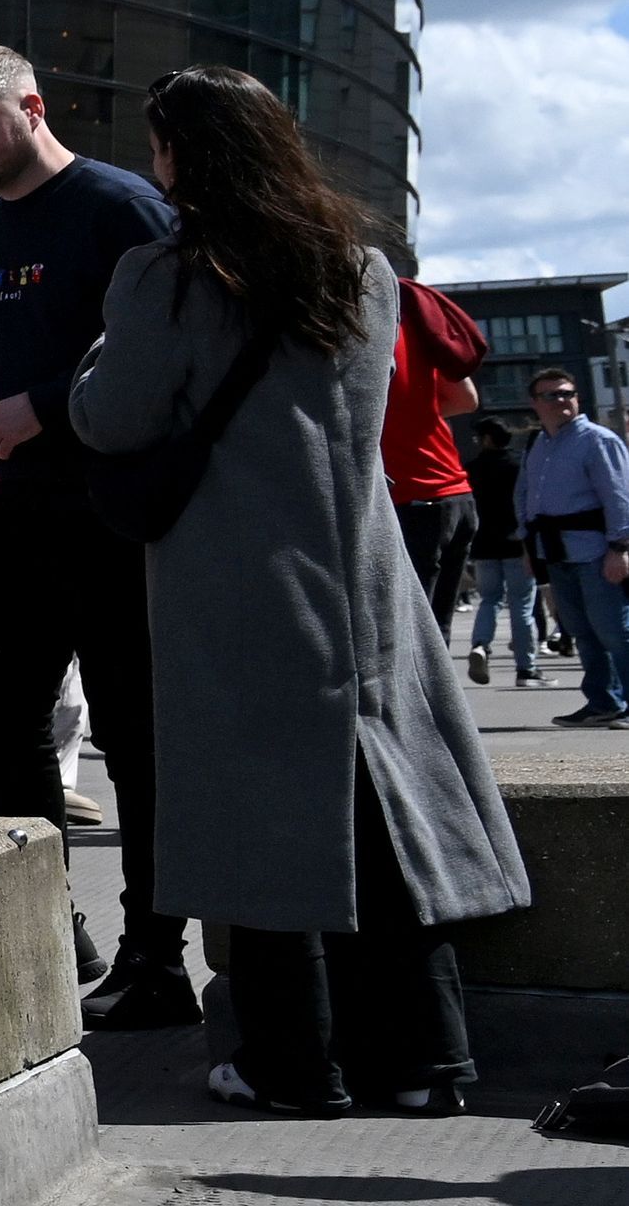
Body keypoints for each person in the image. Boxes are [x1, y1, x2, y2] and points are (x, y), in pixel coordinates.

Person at [72, 68, 528, 1116]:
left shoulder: (166, 275)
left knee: (261, 817)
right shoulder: (362, 269)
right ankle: (429, 1059)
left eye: (159, 145)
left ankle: (294, 1063)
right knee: (385, 813)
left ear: (182, 155)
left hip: (236, 577)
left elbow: (112, 416)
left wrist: (100, 354)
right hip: (364, 573)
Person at [0, 40, 193, 1021]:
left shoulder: (121, 206)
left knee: (134, 736)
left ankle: (155, 954)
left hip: (117, 510)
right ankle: (46, 925)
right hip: (30, 506)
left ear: (30, 106)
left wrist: (41, 400)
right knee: (1, 711)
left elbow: (167, 351)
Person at [516, 370, 629, 728]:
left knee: (614, 630)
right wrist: (528, 548)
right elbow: (525, 496)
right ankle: (603, 702)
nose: (561, 400)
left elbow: (620, 498)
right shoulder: (538, 445)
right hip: (556, 551)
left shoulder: (598, 440)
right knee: (582, 631)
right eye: (550, 395)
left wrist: (620, 548)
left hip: (595, 550)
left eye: (567, 393)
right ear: (535, 403)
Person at [385, 278, 487, 634]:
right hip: (456, 495)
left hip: (411, 498)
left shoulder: (360, 342)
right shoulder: (414, 326)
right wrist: (415, 413)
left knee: (407, 637)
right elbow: (466, 400)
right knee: (435, 633)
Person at [470, 422, 539, 688]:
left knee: (489, 600)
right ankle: (526, 669)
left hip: (484, 544)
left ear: (486, 439)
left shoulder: (472, 468)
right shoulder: (518, 466)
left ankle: (480, 645)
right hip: (516, 544)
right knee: (522, 605)